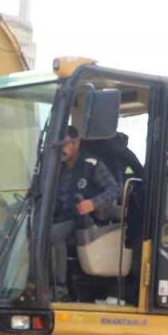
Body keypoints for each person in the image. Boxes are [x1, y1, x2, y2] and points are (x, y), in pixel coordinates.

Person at [51, 124, 122, 298]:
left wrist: (93, 203)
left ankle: (59, 290)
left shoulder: (92, 164)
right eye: (60, 144)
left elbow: (115, 189)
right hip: (60, 215)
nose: (62, 148)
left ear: (77, 143)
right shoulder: (55, 167)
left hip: (84, 218)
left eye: (66, 144)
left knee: (53, 235)